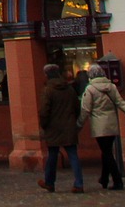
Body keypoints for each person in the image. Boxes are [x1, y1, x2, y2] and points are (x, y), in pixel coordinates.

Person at [78, 63, 125, 190]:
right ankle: (104, 178)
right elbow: (120, 102)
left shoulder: (90, 89)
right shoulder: (111, 86)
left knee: (107, 153)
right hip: (112, 123)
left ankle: (117, 180)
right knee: (106, 151)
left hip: (99, 125)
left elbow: (85, 109)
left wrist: (79, 124)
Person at [37, 63, 84, 193]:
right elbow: (77, 107)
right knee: (73, 155)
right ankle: (79, 183)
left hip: (53, 127)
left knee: (52, 155)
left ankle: (49, 182)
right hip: (69, 126)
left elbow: (44, 111)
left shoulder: (48, 90)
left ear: (47, 75)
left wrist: (44, 125)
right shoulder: (69, 89)